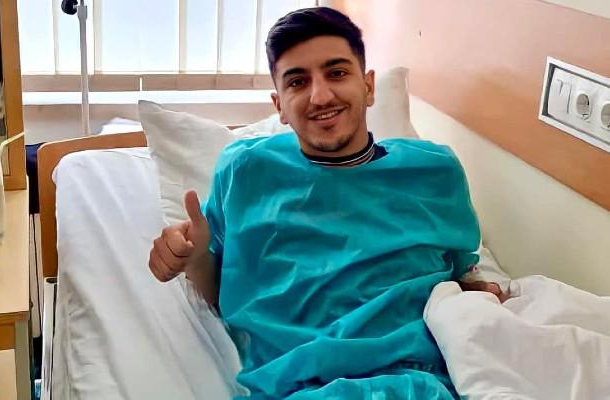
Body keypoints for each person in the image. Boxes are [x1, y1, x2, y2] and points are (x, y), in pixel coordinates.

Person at [149, 7, 503, 400]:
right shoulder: (246, 173)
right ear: (279, 105)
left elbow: (456, 274)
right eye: (298, 81)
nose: (320, 96)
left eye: (336, 73)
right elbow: (220, 293)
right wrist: (195, 257)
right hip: (299, 388)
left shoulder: (434, 172)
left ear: (368, 86)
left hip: (423, 382)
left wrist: (473, 293)